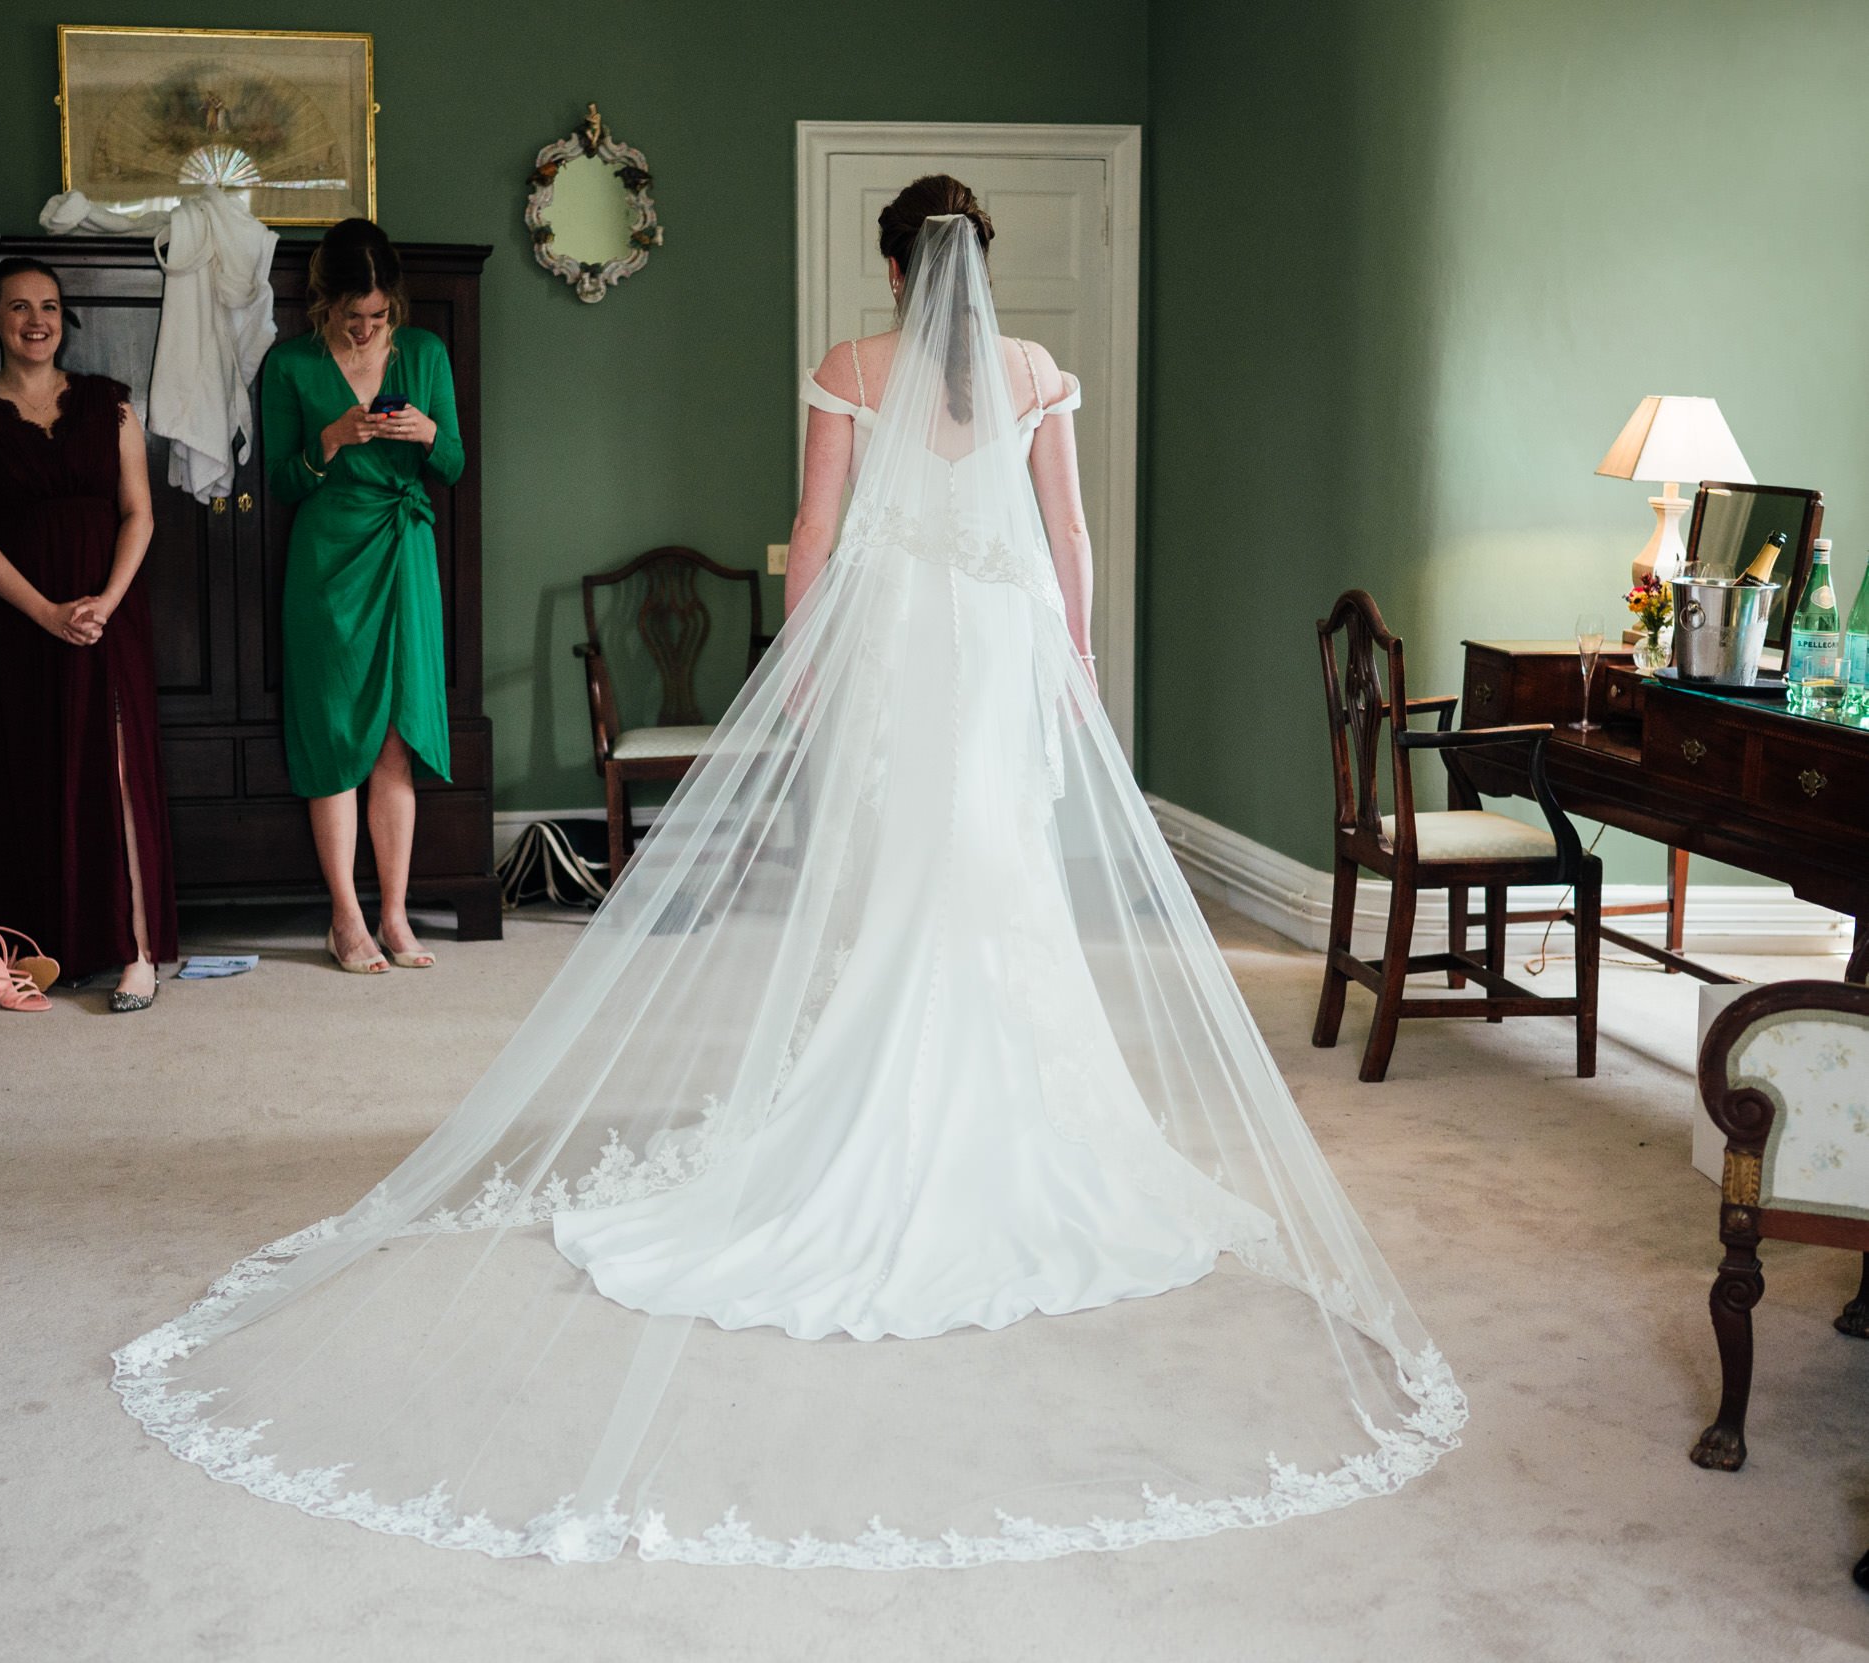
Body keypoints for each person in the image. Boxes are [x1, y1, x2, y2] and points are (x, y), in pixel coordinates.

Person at [114, 181, 1466, 1566]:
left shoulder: (851, 366)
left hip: (899, 654)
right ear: (979, 266)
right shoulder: (1039, 372)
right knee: (995, 875)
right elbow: (1070, 539)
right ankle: (1008, 1109)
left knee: (894, 880)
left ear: (893, 269)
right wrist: (1079, 663)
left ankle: (876, 1099)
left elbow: (812, 539)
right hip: (1000, 650)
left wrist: (805, 673)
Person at [0, 257, 179, 1011]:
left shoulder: (110, 405)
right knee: (33, 769)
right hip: (18, 620)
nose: (35, 320)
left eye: (48, 306)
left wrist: (103, 599)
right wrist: (44, 611)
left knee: (119, 768)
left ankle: (137, 951)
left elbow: (139, 512)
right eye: (18, 308)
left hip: (109, 613)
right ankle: (48, 948)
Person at [258, 219, 464, 974]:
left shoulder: (427, 354)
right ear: (325, 301)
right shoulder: (290, 367)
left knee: (393, 743)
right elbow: (281, 481)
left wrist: (427, 430)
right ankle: (346, 918)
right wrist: (332, 440)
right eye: (356, 316)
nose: (370, 326)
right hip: (325, 562)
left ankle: (396, 914)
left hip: (402, 549)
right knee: (332, 739)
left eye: (379, 315)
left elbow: (455, 463)